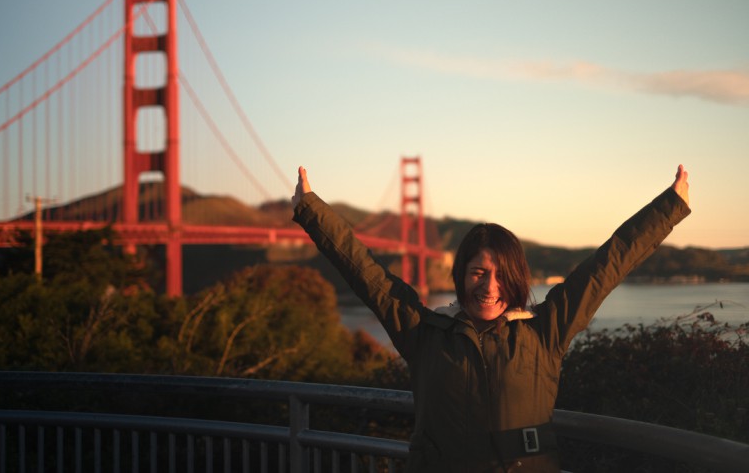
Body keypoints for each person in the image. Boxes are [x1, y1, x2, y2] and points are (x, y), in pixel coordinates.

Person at [291, 165, 691, 472]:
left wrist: (669, 205)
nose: (489, 286)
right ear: (462, 274)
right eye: (479, 272)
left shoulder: (543, 332)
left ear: (516, 277)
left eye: (501, 274)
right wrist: (310, 209)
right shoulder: (423, 333)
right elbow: (366, 273)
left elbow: (607, 265)